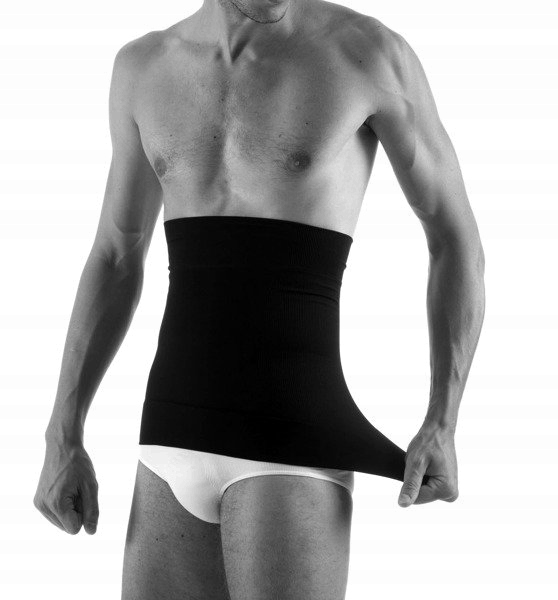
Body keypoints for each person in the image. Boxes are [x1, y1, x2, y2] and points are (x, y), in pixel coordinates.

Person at [33, 0, 486, 598]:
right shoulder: (143, 66)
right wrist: (63, 433)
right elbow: (116, 256)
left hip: (294, 443)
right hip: (169, 437)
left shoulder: (367, 54)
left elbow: (456, 240)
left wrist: (443, 421)